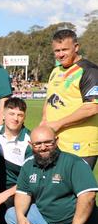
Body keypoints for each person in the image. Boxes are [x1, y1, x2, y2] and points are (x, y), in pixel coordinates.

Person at [5, 126, 98, 224]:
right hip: (49, 222)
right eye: (38, 144)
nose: (43, 147)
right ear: (31, 145)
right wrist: (21, 216)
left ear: (57, 141)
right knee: (12, 215)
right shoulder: (29, 164)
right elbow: (22, 194)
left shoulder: (73, 162)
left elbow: (88, 196)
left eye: (48, 143)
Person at [41, 29, 98, 169]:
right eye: (57, 50)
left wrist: (58, 124)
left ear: (76, 47)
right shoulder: (56, 71)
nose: (60, 54)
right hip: (57, 143)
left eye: (65, 50)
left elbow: (92, 107)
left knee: (79, 189)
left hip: (81, 145)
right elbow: (49, 100)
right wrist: (44, 122)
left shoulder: (89, 71)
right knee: (56, 187)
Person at [0, 97, 32, 224]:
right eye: (11, 113)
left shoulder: (30, 141)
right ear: (3, 114)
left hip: (19, 192)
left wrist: (6, 194)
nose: (15, 118)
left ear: (24, 117)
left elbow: (30, 180)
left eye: (20, 115)